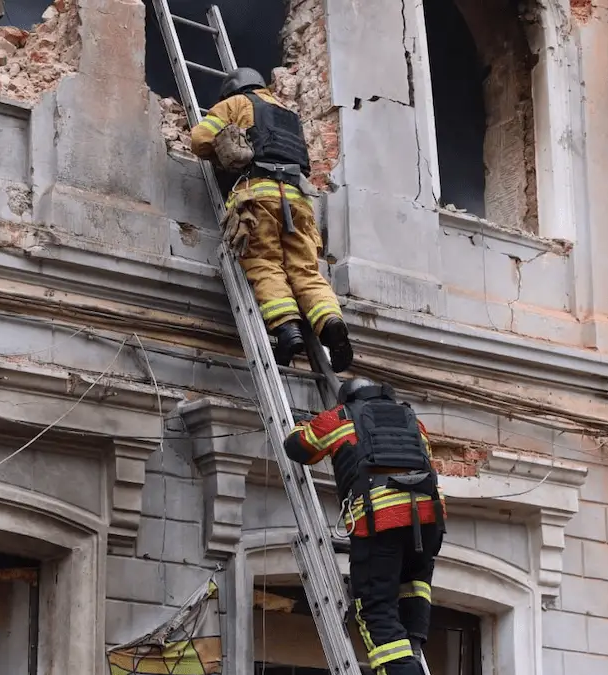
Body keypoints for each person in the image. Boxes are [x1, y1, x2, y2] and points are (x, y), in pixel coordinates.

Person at [190, 66, 353, 373]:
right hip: (298, 200)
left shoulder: (235, 104)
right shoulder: (287, 113)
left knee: (264, 263)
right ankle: (331, 322)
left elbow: (199, 139)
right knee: (305, 269)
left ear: (233, 90)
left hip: (258, 194)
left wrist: (224, 148)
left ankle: (287, 330)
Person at [283, 377, 446, 675]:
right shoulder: (413, 421)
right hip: (427, 520)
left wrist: (298, 424)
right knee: (414, 584)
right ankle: (415, 643)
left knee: (376, 611)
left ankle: (402, 668)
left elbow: (299, 448)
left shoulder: (340, 417)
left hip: (381, 520)